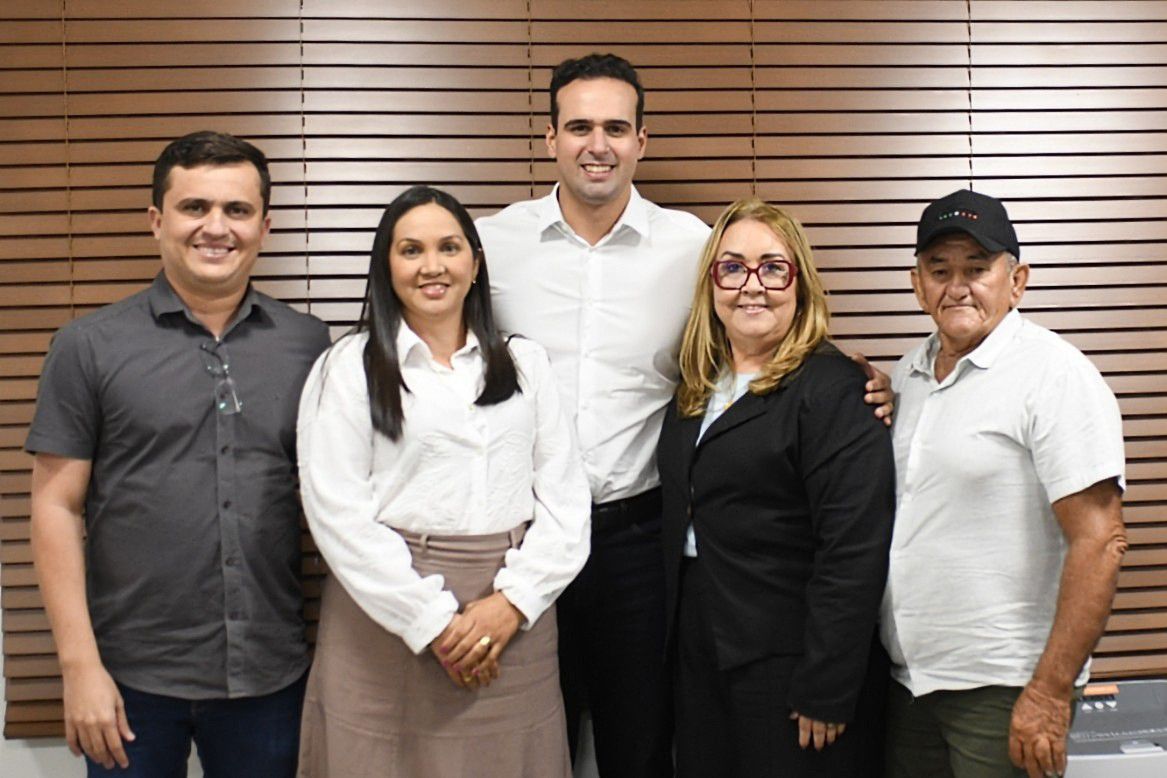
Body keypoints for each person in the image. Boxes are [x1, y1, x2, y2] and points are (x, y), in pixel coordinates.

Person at [476, 52, 895, 777]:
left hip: (643, 544)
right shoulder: (489, 246)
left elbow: (767, 318)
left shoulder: (696, 247)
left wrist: (860, 382)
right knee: (526, 746)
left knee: (644, 747)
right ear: (549, 137)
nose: (597, 144)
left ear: (641, 139)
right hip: (525, 540)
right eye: (579, 126)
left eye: (616, 127)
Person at [26, 131, 332, 776]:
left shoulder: (309, 345)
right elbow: (54, 506)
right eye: (195, 207)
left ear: (264, 226)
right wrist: (78, 668)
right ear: (156, 220)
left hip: (268, 675)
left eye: (237, 210)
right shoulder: (88, 346)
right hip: (130, 677)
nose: (216, 227)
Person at [294, 185, 591, 777]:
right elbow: (337, 513)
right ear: (387, 267)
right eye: (411, 250)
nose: (432, 265)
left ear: (475, 264)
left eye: (449, 248)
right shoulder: (347, 368)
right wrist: (432, 623)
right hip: (384, 613)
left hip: (513, 620)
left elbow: (566, 503)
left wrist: (511, 604)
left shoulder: (525, 364)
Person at [880, 189, 1128, 778]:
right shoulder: (905, 376)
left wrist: (1049, 692)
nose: (957, 287)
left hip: (1006, 690)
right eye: (940, 270)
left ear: (1016, 281)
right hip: (907, 687)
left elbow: (1100, 541)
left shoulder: (1054, 374)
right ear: (917, 285)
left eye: (977, 268)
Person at [657, 198, 894, 777]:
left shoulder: (834, 389)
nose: (752, 286)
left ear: (800, 282)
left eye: (772, 267)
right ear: (712, 283)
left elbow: (854, 548)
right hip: (700, 644)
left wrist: (828, 683)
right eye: (732, 268)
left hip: (790, 659)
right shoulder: (696, 387)